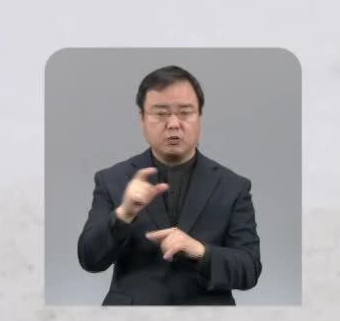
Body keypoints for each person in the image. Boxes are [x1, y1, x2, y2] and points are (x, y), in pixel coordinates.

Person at [75, 65, 262, 305]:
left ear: (200, 117)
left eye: (185, 112)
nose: (173, 123)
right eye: (160, 113)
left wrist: (200, 251)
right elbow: (90, 260)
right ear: (142, 118)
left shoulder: (233, 186)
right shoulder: (112, 179)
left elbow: (249, 269)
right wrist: (125, 213)